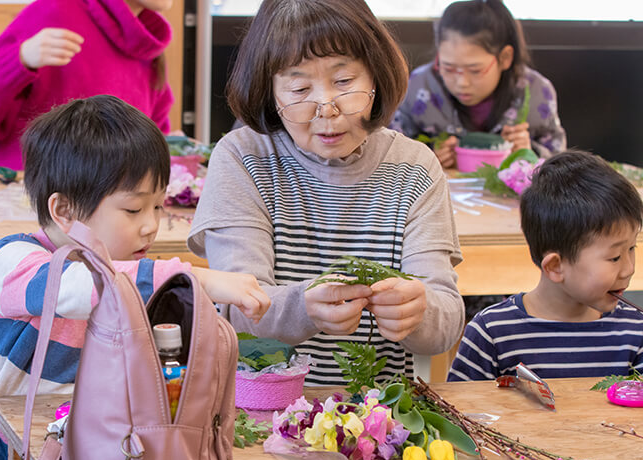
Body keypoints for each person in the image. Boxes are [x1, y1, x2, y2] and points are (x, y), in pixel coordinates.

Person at [0, 95, 270, 460]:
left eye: (158, 206)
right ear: (63, 210)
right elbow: (76, 287)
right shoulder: (13, 259)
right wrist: (193, 276)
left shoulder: (127, 269)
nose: (150, 225)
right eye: (133, 208)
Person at [187, 0, 465, 386]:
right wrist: (304, 307)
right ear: (271, 92)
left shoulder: (415, 167)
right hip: (260, 409)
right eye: (300, 88)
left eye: (344, 82)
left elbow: (446, 324)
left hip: (380, 418)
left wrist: (420, 311)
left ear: (375, 77)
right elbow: (237, 310)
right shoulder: (243, 158)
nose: (327, 109)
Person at [448, 151, 643, 381]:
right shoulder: (491, 333)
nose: (629, 268)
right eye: (614, 257)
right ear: (555, 266)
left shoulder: (635, 332)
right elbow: (459, 412)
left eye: (632, 248)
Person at [0, 0, 174, 171]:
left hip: (106, 215)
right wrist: (19, 59)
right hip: (29, 205)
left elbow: (155, 133)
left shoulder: (148, 45)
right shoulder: (55, 11)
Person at [391, 0, 566, 169]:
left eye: (474, 70)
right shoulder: (419, 86)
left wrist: (530, 152)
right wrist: (427, 157)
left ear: (505, 58)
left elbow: (561, 163)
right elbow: (391, 151)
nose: (462, 83)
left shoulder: (536, 92)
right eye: (448, 68)